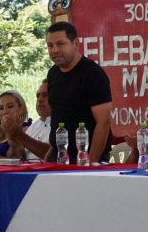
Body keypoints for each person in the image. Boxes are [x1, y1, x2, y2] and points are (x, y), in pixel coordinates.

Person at [44, 22, 112, 163]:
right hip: (59, 156)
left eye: (60, 44)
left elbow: (104, 123)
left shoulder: (93, 74)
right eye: (50, 46)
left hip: (86, 157)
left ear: (75, 43)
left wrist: (89, 163)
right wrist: (50, 152)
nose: (55, 50)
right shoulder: (53, 73)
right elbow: (58, 116)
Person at [2, 79, 52, 161]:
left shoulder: (64, 125)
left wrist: (20, 135)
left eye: (45, 95)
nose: (39, 99)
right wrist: (14, 145)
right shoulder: (33, 127)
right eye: (38, 96)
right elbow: (19, 159)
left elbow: (53, 155)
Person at [0, 90, 31, 159]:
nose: (5, 112)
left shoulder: (26, 130)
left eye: (10, 106)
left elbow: (16, 160)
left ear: (21, 109)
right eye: (1, 108)